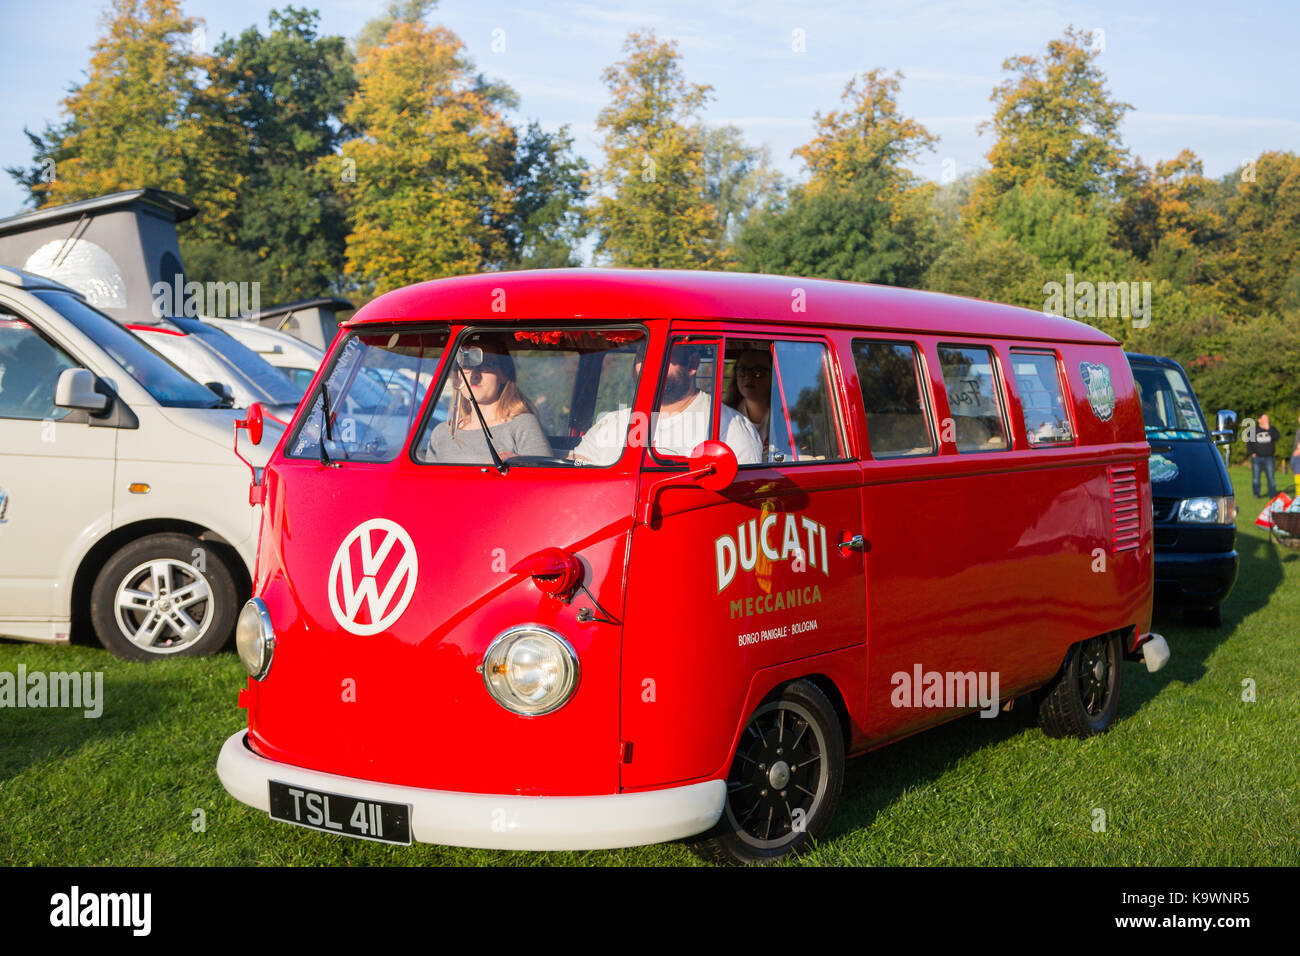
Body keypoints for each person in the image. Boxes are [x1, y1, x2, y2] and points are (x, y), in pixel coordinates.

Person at [572, 343, 762, 466]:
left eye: (663, 358)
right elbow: (577, 470)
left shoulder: (729, 427)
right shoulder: (612, 423)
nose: (648, 366)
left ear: (693, 365)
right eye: (641, 357)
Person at [426, 343, 553, 463]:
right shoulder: (441, 433)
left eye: (487, 364)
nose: (474, 374)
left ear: (504, 374)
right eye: (467, 364)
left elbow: (546, 480)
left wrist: (519, 465)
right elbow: (425, 484)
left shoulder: (522, 425)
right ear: (458, 375)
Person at [724, 347, 773, 456]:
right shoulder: (725, 416)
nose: (748, 377)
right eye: (742, 370)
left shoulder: (787, 417)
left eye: (758, 372)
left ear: (774, 375)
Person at [1247, 412, 1280, 498]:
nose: (1266, 420)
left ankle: (1272, 495)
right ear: (1259, 420)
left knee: (1271, 478)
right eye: (1264, 419)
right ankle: (1256, 494)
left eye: (1267, 419)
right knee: (1256, 478)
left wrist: (1268, 429)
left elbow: (1277, 437)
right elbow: (1249, 443)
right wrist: (1252, 453)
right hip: (1257, 458)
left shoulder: (1272, 429)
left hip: (1269, 457)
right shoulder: (1253, 430)